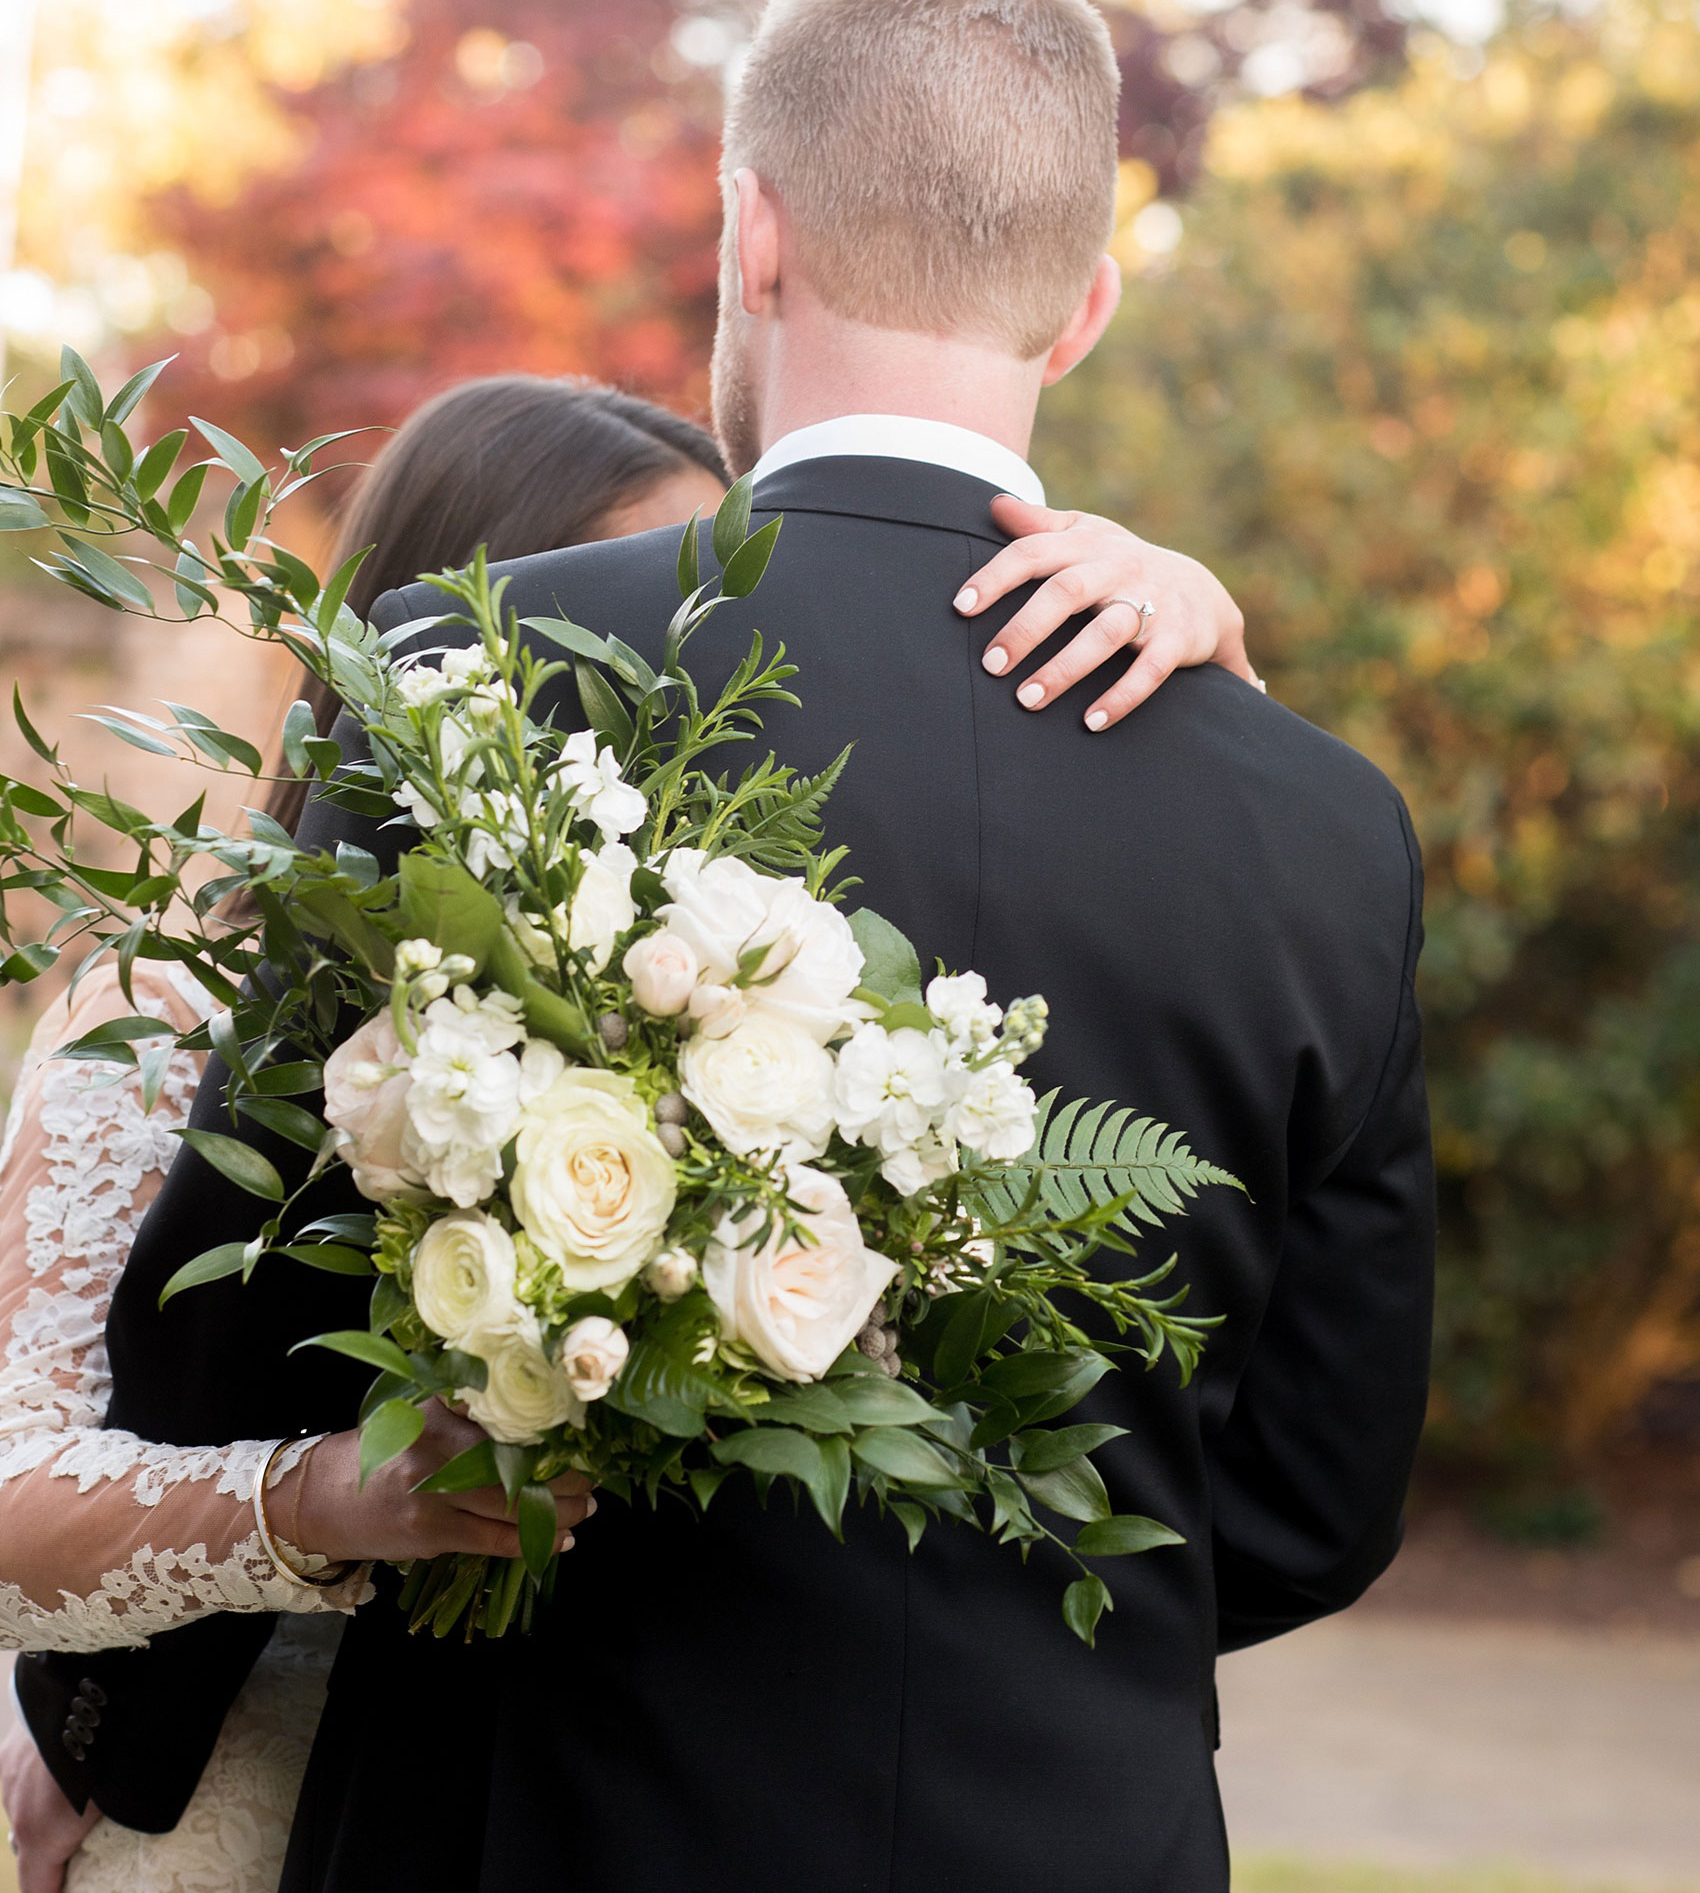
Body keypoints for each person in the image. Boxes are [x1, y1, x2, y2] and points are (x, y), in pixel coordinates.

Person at [0, 362, 1254, 1893]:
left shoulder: (739, 993)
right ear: (453, 647)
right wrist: (316, 1508)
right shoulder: (182, 989)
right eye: (630, 634)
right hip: (251, 1788)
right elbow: (16, 1493)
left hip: (589, 1806)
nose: (686, 697)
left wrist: (1191, 628)